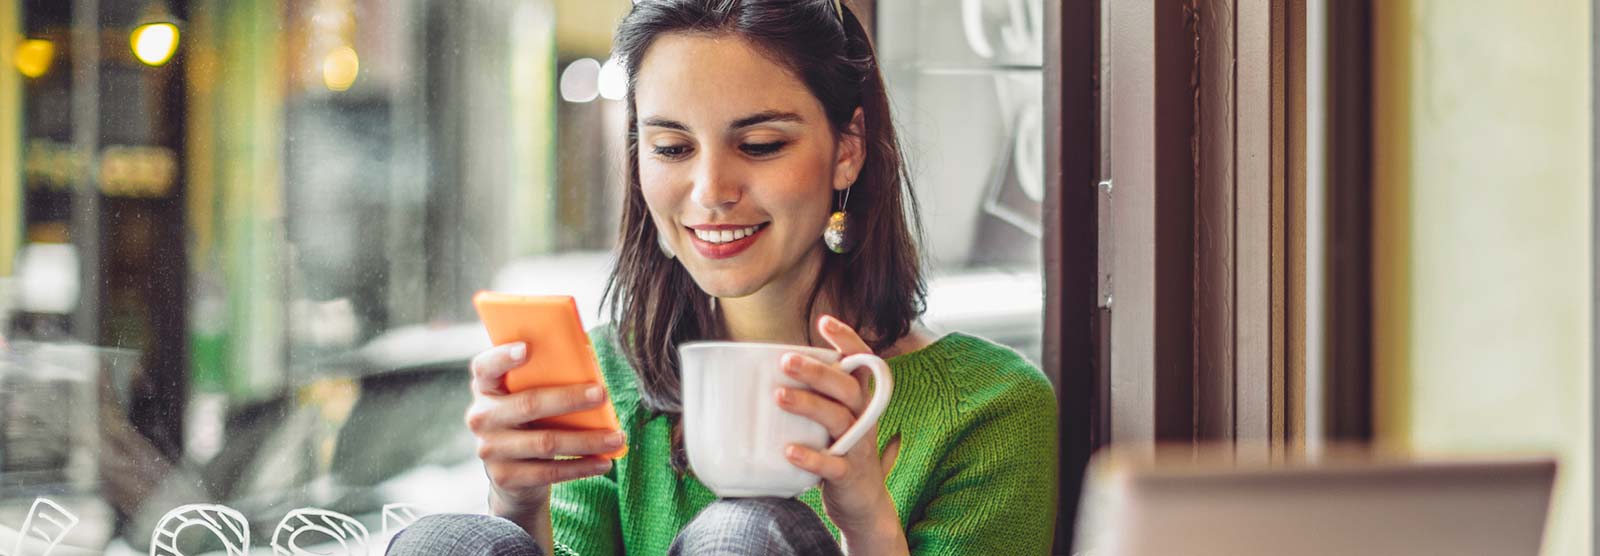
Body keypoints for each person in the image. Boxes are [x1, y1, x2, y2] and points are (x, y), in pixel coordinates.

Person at [388, 0, 1058, 554]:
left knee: (744, 535)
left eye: (760, 146)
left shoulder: (988, 408)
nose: (710, 191)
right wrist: (518, 503)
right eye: (672, 148)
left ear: (847, 150)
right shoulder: (609, 379)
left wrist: (864, 522)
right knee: (448, 542)